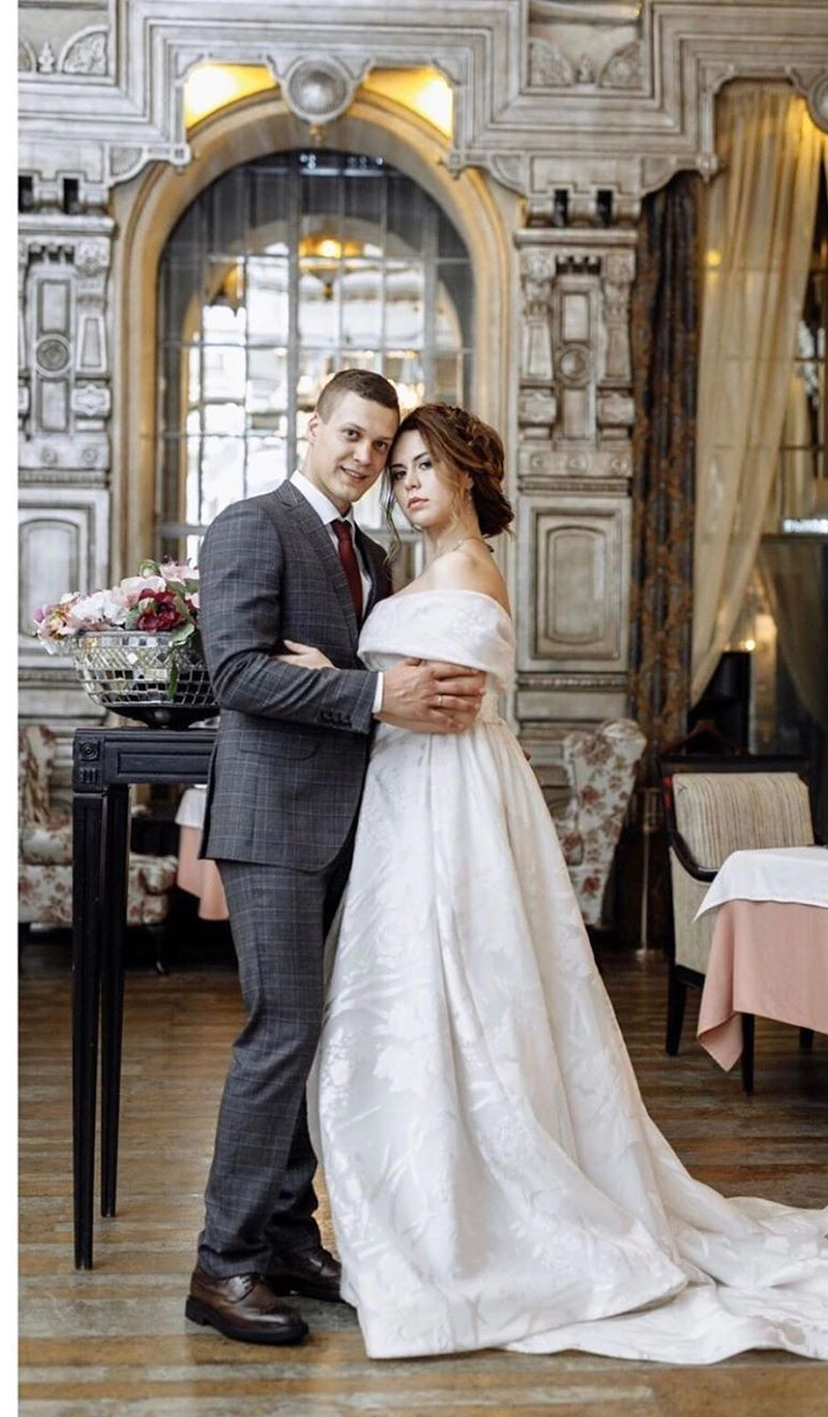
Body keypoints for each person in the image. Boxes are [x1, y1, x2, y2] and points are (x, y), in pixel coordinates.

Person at [292, 401, 828, 1365]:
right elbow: (404, 692)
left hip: (447, 796)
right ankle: (424, 1179)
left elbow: (438, 706)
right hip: (412, 795)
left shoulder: (466, 570)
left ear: (467, 476)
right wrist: (353, 677)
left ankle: (476, 1196)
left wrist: (336, 677)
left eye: (422, 466)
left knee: (462, 982)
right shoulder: (421, 568)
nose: (404, 482)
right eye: (397, 467)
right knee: (418, 989)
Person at [185, 371, 487, 1346]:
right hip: (272, 821)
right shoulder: (253, 524)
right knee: (280, 1031)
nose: (366, 457)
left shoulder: (372, 554)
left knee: (315, 1035)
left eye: (382, 444)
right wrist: (374, 695)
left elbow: (366, 677)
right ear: (311, 429)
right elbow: (236, 673)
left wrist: (372, 683)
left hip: (355, 823)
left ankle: (286, 1237)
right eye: (351, 435)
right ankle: (222, 1264)